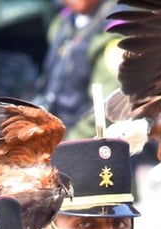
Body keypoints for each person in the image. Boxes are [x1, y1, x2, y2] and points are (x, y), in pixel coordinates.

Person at [32, 0, 121, 140]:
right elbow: (49, 82)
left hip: (86, 138)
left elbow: (107, 110)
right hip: (55, 126)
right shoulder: (63, 22)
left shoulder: (114, 31)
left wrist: (67, 145)